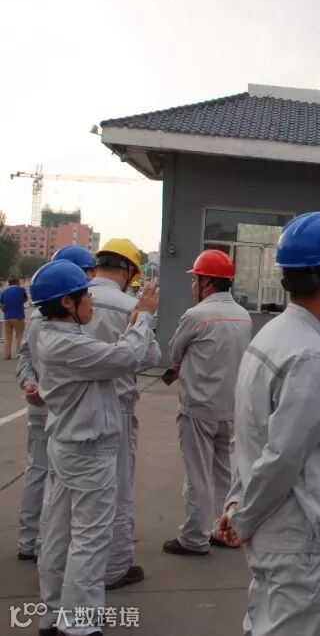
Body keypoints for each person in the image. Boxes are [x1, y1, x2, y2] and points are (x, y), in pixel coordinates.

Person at [215, 212, 320, 636]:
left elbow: (249, 436)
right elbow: (282, 457)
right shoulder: (308, 355)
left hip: (276, 534)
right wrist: (242, 518)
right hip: (301, 539)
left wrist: (237, 505)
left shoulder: (271, 336)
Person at [31, 260, 159, 636]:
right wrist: (144, 317)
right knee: (90, 540)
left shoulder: (51, 335)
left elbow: (112, 354)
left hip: (68, 446)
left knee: (58, 535)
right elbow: (126, 358)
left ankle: (53, 615)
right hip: (88, 452)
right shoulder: (67, 344)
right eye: (85, 296)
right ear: (67, 304)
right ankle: (80, 625)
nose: (91, 301)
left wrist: (135, 322)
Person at [81, 237, 161, 591]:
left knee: (70, 494)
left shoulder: (73, 299)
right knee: (117, 490)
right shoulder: (130, 305)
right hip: (116, 407)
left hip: (71, 408)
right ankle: (115, 568)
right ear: (129, 271)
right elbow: (151, 356)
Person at [162, 250, 252, 556]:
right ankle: (224, 528)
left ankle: (194, 538)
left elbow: (174, 352)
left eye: (195, 279)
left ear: (208, 283)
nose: (193, 285)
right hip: (231, 409)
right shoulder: (244, 316)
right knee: (225, 473)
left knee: (198, 475)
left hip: (198, 409)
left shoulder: (196, 315)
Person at [14, 246, 97, 562]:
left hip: (44, 404)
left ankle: (30, 540)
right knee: (52, 478)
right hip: (62, 409)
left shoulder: (39, 315)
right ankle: (42, 545)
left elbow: (24, 356)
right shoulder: (72, 314)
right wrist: (30, 382)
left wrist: (29, 382)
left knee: (38, 471)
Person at [3, 276, 29, 359]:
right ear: (17, 282)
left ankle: (7, 355)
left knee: (7, 336)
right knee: (20, 335)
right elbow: (25, 299)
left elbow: (1, 303)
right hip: (18, 316)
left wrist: (4, 310)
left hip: (7, 317)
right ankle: (19, 354)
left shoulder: (4, 291)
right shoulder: (21, 290)